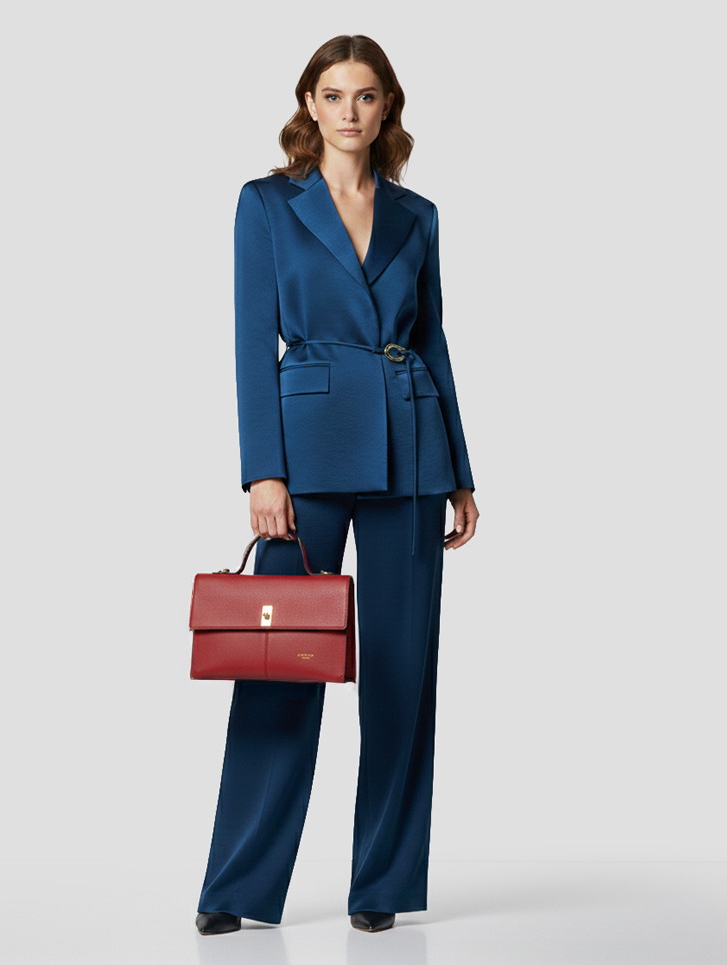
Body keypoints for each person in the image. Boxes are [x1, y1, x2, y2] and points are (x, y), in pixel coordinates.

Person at [196, 34, 479, 936]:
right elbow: (251, 342)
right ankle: (237, 886)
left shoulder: (417, 214)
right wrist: (263, 469)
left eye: (365, 95)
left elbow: (432, 342)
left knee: (401, 673)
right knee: (281, 664)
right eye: (332, 94)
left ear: (386, 106)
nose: (349, 111)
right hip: (306, 453)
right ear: (309, 105)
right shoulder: (267, 204)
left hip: (412, 451)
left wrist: (460, 471)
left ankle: (381, 882)